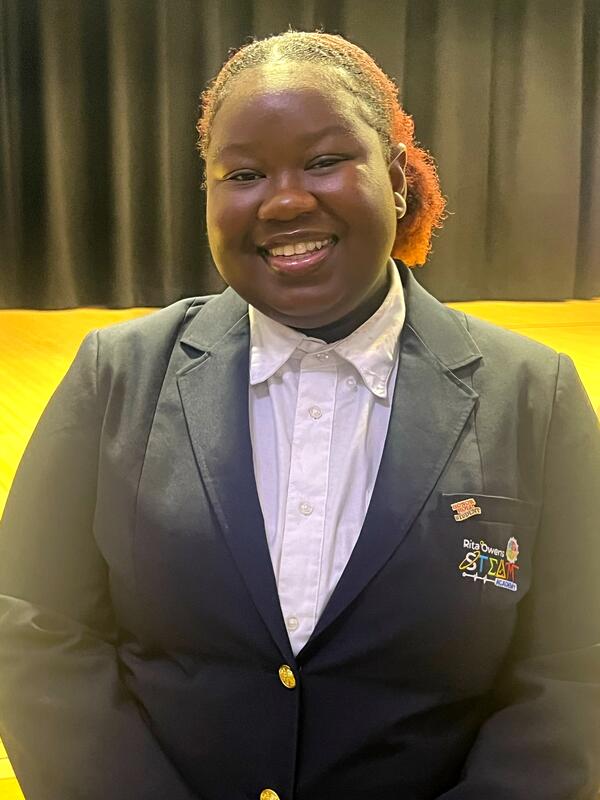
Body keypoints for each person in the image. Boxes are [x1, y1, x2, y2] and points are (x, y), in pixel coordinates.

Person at [0, 29, 599, 800]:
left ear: (397, 179)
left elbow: (577, 671)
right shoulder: (116, 375)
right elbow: (29, 621)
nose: (284, 200)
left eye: (323, 161)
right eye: (244, 174)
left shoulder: (536, 396)